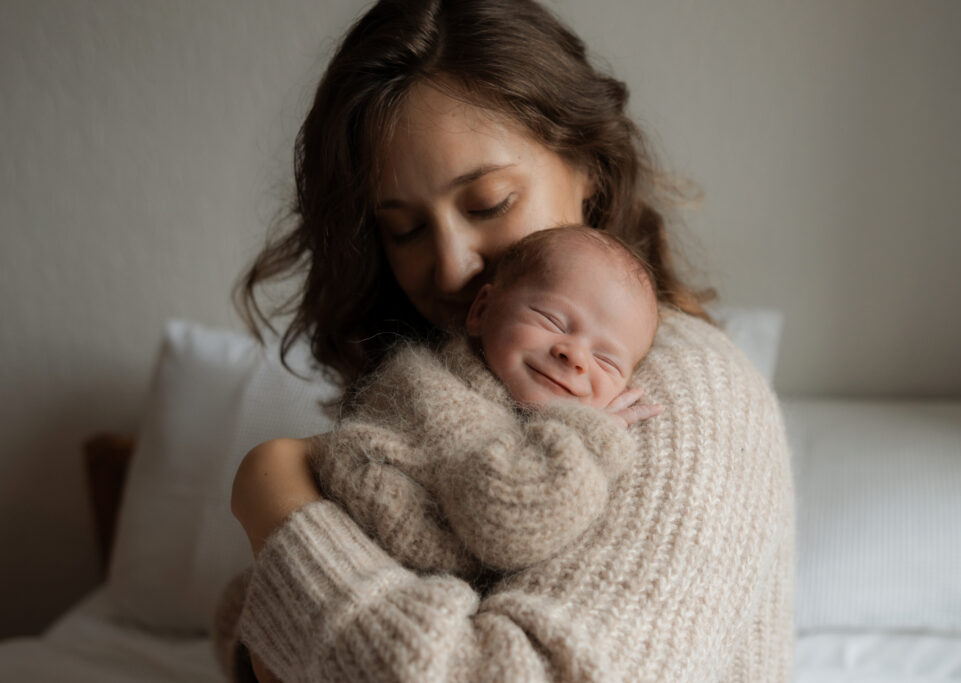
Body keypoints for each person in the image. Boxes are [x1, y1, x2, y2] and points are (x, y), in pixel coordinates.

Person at [219, 0, 794, 681]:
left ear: (591, 171)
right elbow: (252, 626)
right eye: (404, 229)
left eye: (488, 202)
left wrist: (279, 504)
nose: (454, 266)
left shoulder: (688, 396)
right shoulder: (453, 377)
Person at [306, 225, 663, 587]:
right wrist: (589, 435)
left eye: (607, 360)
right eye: (553, 320)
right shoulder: (433, 391)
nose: (575, 356)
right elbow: (508, 521)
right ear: (481, 311)